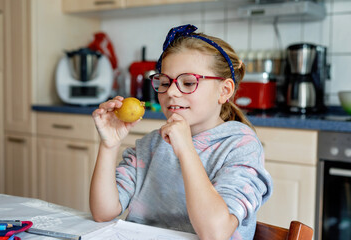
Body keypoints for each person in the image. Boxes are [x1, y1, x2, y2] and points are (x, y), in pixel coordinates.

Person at [90, 24, 273, 240]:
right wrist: (109, 145)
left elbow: (215, 232)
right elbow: (103, 212)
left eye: (188, 83)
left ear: (224, 91)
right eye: (165, 82)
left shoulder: (240, 147)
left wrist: (186, 149)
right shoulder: (151, 145)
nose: (172, 92)